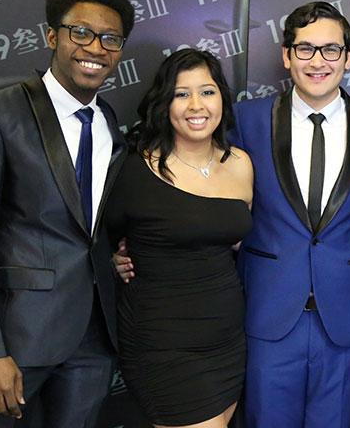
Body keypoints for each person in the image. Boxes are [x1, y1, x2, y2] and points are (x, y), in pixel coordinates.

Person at [115, 1, 350, 426]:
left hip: (347, 318)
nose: (317, 61)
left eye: (330, 49)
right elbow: (195, 197)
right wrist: (134, 249)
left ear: (349, 57)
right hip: (265, 314)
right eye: (304, 49)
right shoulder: (244, 122)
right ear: (286, 56)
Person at [0, 0, 134, 427]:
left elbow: (84, 224)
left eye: (111, 38)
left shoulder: (109, 121)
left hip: (93, 338)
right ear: (53, 36)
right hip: (16, 339)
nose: (96, 47)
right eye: (81, 33)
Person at [105, 49, 252, 427]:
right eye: (181, 93)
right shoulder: (137, 169)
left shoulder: (240, 164)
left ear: (221, 98)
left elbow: (229, 238)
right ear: (164, 103)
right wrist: (113, 259)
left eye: (207, 91)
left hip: (227, 341)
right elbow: (99, 239)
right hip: (163, 345)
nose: (195, 105)